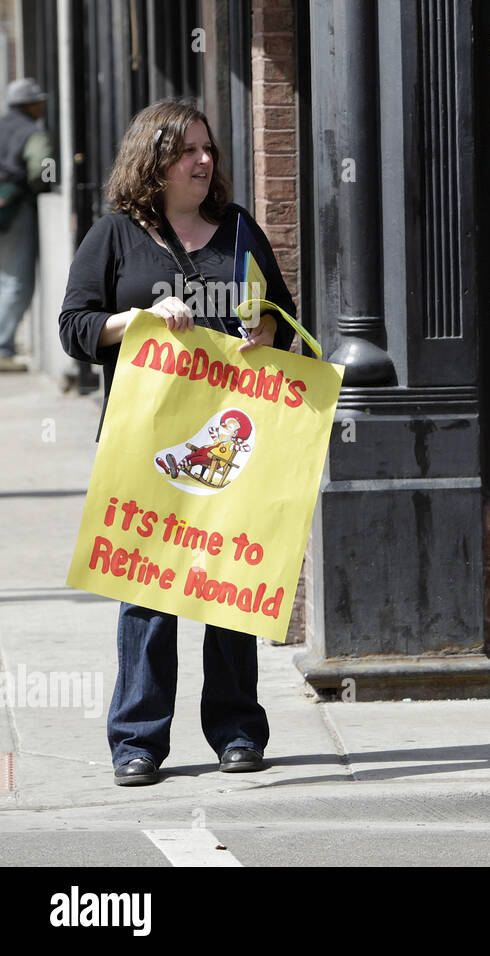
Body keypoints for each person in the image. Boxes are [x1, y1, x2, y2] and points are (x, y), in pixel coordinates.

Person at [59, 99, 297, 786]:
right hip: (147, 440)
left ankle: (237, 731)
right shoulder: (116, 236)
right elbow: (74, 326)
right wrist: (135, 318)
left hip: (233, 438)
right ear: (153, 160)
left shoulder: (240, 232)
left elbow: (281, 314)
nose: (202, 161)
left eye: (208, 150)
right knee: (148, 589)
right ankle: (137, 740)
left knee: (229, 582)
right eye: (187, 150)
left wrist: (269, 333)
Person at [0, 78, 54, 371]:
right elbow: (40, 168)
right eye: (39, 101)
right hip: (14, 209)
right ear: (29, 104)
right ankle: (2, 348)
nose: (42, 106)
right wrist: (40, 192)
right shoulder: (33, 132)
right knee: (17, 281)